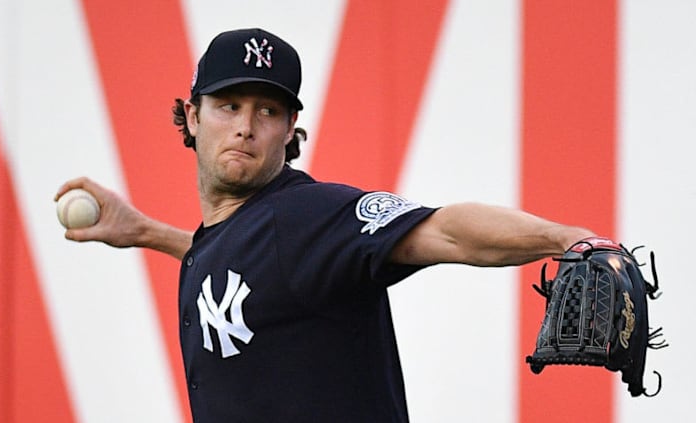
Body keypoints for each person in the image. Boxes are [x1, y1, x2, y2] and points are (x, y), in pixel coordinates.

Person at [56, 28, 595, 422]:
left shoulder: (306, 216)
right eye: (229, 105)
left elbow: (445, 230)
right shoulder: (243, 237)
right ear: (193, 116)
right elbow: (247, 272)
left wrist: (568, 239)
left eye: (268, 111)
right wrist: (145, 231)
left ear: (291, 128)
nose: (245, 127)